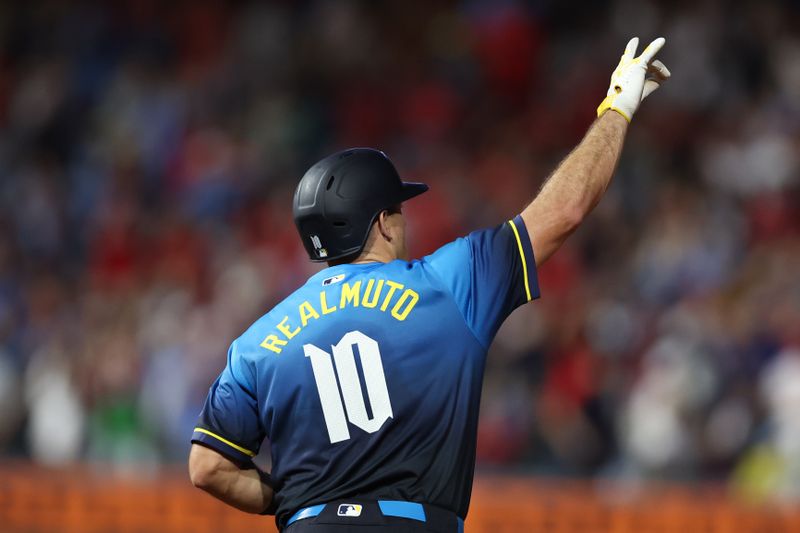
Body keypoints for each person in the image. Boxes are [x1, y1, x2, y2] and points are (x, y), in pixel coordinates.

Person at [187, 37, 670, 532]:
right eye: (399, 208)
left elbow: (208, 467)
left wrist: (294, 503)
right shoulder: (448, 282)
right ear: (382, 222)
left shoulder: (258, 342)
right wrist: (617, 109)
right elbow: (565, 210)